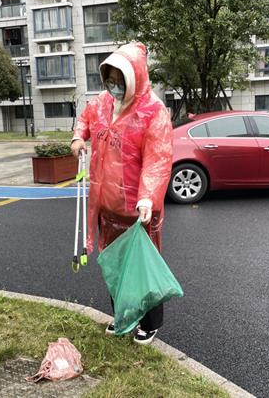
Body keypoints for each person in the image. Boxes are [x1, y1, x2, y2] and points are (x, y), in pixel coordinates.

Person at [71, 42, 173, 345]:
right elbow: (85, 119)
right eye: (110, 80)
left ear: (135, 78)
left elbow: (158, 160)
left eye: (120, 80)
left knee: (141, 267)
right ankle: (123, 315)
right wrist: (78, 137)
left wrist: (147, 196)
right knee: (115, 267)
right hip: (106, 205)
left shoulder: (152, 111)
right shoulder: (102, 103)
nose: (114, 86)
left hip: (137, 209)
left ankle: (149, 323)